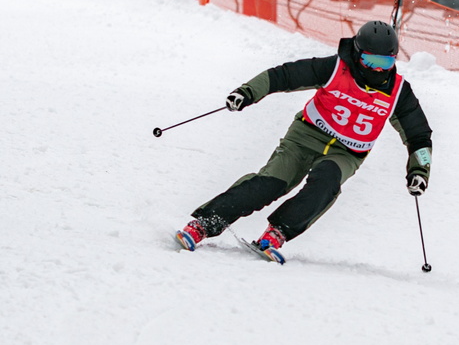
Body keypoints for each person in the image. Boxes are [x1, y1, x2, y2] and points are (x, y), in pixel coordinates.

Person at [175, 20, 432, 263]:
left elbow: (419, 136)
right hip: (305, 137)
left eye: (385, 62)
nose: (378, 69)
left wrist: (419, 171)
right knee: (271, 183)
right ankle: (204, 224)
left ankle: (277, 233)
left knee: (326, 183)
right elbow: (284, 76)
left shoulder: (399, 92)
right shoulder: (334, 68)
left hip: (347, 153)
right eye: (370, 60)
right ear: (356, 54)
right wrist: (247, 92)